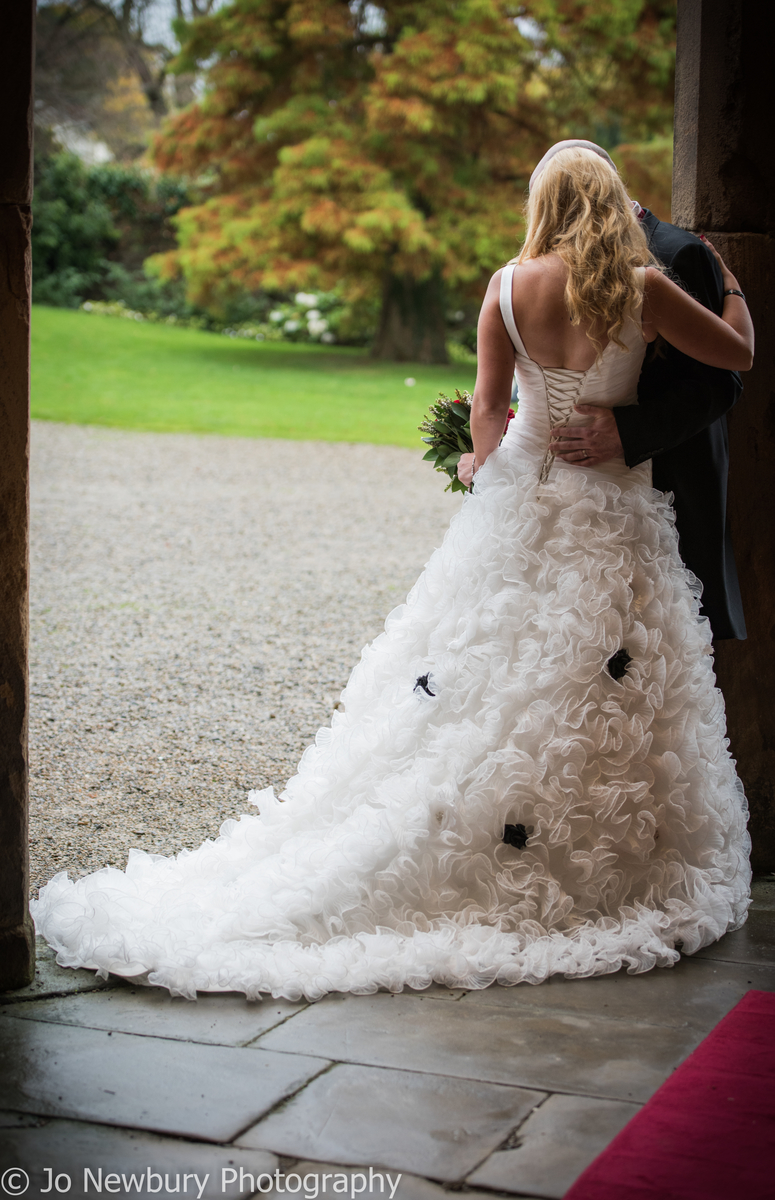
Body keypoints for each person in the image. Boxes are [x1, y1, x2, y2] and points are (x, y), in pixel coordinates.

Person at [31, 148, 754, 1002]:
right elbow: (734, 357)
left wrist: (493, 489)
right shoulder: (639, 289)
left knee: (480, 664)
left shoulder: (504, 287)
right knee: (588, 677)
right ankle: (604, 862)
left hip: (519, 500)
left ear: (542, 205)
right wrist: (733, 285)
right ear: (607, 204)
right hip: (610, 511)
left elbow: (489, 408)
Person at [530, 140, 745, 640]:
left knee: (657, 639)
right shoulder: (546, 265)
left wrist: (629, 431)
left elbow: (722, 380)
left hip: (663, 473)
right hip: (571, 479)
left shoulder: (677, 254)